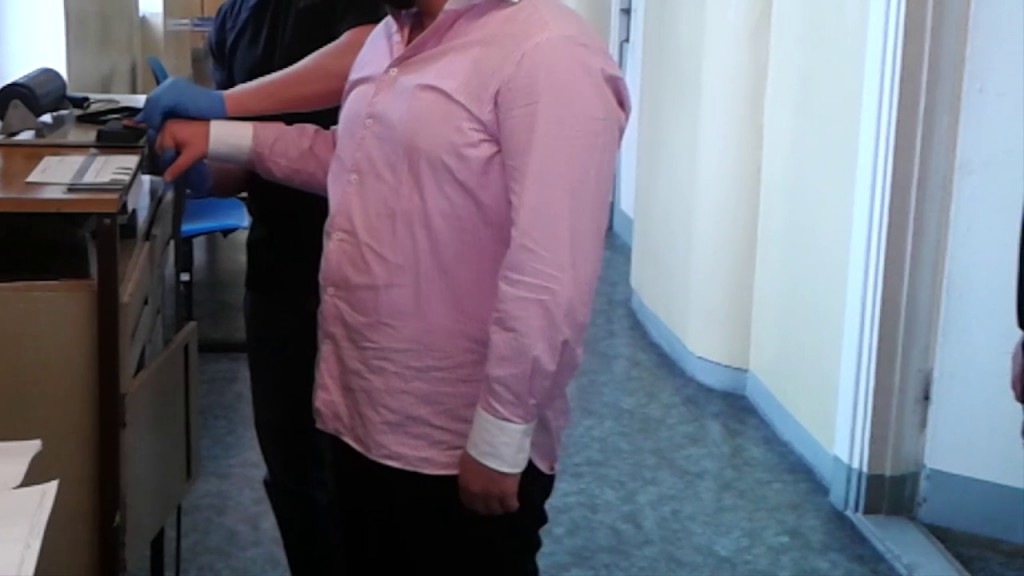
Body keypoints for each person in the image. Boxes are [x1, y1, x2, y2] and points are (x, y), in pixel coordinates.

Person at [153, 0, 630, 573]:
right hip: (362, 405)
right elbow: (351, 156)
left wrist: (501, 439)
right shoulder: (392, 36)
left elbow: (551, 271)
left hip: (453, 433)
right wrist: (222, 138)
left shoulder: (547, 52)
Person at [183, 2, 385, 575]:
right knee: (292, 469)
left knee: (364, 479)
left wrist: (225, 107)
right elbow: (243, 165)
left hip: (370, 276)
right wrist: (197, 159)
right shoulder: (237, 18)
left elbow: (369, 52)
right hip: (278, 270)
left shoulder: (366, 12)